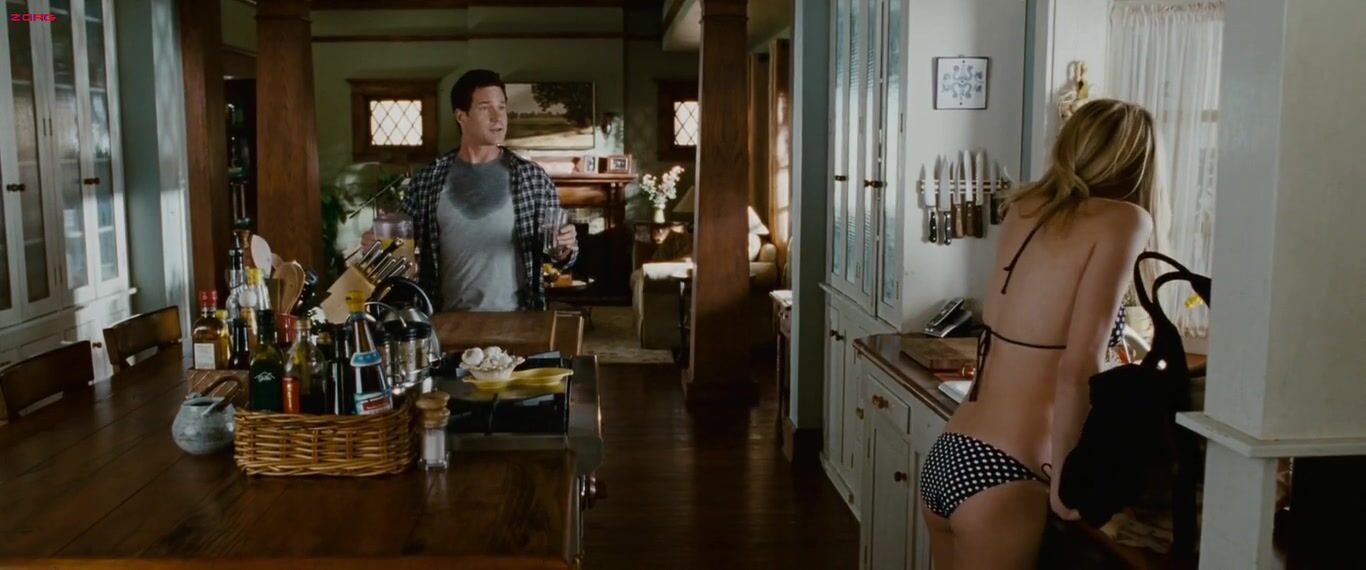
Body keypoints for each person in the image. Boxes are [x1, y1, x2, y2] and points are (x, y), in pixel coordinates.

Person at [918, 99, 1157, 568]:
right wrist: (1066, 486)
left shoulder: (1026, 207)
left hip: (952, 452)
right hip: (1009, 472)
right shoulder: (1125, 220)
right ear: (1137, 160)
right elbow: (1077, 369)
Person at [401, 69, 578, 312]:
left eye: (502, 107)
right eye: (485, 108)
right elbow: (399, 247)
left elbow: (559, 257)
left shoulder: (533, 178)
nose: (498, 117)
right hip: (446, 320)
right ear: (461, 116)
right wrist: (378, 243)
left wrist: (565, 246)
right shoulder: (428, 180)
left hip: (518, 320)